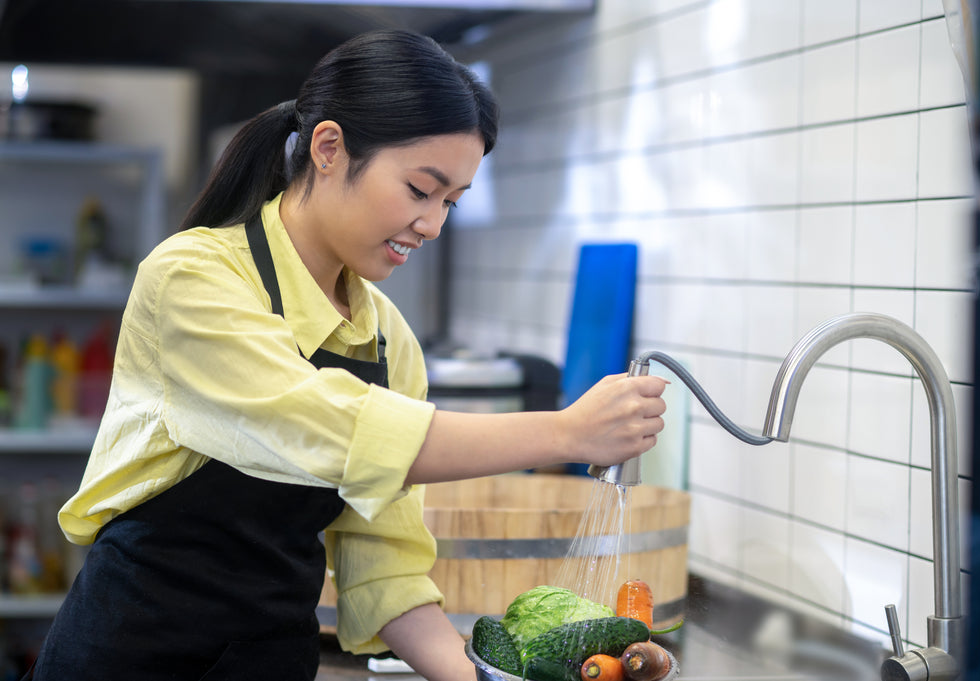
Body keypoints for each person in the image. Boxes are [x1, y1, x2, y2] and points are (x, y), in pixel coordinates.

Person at [25, 30, 667, 681]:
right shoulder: (192, 278)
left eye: (451, 201)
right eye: (420, 189)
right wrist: (564, 430)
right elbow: (320, 426)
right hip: (128, 658)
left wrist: (475, 678)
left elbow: (383, 562)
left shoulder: (388, 341)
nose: (434, 224)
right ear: (329, 148)